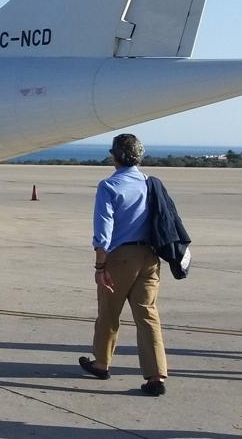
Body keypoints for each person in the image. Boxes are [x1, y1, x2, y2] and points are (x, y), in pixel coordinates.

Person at [78, 133, 169, 396]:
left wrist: (99, 266)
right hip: (150, 256)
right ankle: (156, 376)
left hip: (121, 257)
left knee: (109, 313)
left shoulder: (109, 186)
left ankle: (101, 363)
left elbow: (103, 232)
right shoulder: (149, 183)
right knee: (148, 315)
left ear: (114, 155)